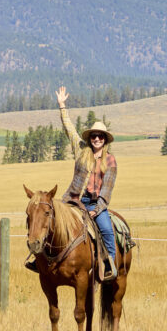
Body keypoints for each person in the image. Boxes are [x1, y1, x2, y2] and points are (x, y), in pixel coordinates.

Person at [54, 87, 119, 280]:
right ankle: (41, 259)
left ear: (105, 139)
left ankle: (110, 267)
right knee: (51, 221)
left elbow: (106, 190)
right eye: (93, 136)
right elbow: (69, 129)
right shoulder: (81, 149)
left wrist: (96, 210)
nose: (96, 139)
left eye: (100, 136)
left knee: (107, 230)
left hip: (94, 204)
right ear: (89, 138)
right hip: (73, 199)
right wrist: (62, 105)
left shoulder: (110, 161)